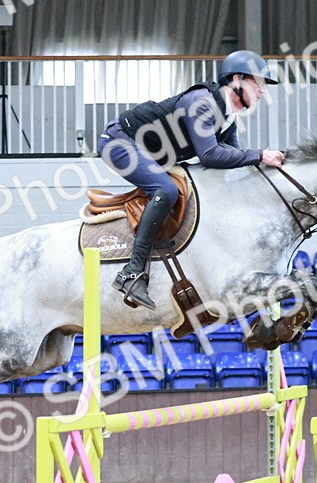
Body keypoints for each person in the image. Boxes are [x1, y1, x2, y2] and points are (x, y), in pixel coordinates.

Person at [97, 50, 287, 310]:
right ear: (237, 79)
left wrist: (262, 168)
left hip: (150, 152)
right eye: (259, 83)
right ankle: (132, 272)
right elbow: (210, 156)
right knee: (166, 190)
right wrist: (260, 155)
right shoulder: (202, 103)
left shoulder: (227, 116)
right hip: (120, 142)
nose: (263, 91)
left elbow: (231, 160)